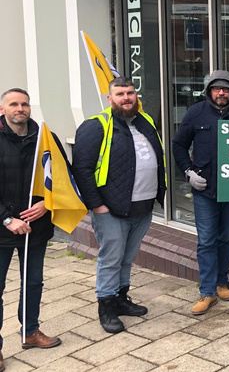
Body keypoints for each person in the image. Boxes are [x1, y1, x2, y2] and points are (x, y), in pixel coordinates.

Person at [72, 77, 166, 333]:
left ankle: (122, 298)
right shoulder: (96, 126)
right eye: (121, 93)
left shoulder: (145, 121)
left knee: (127, 258)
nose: (127, 98)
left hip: (143, 207)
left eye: (130, 92)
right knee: (111, 258)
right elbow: (82, 169)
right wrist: (97, 206)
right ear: (109, 98)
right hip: (111, 209)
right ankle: (106, 306)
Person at [172, 70, 229, 315]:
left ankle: (221, 282)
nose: (221, 93)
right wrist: (188, 172)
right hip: (204, 190)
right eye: (217, 89)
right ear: (209, 91)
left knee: (227, 237)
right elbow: (179, 145)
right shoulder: (196, 113)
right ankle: (206, 292)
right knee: (206, 241)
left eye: (226, 89)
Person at [0, 89, 62, 362]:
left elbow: (62, 179)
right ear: (2, 109)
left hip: (36, 228)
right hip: (3, 229)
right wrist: (6, 219)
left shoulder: (45, 139)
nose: (20, 108)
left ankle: (30, 331)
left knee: (33, 282)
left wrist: (47, 203)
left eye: (24, 103)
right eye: (13, 104)